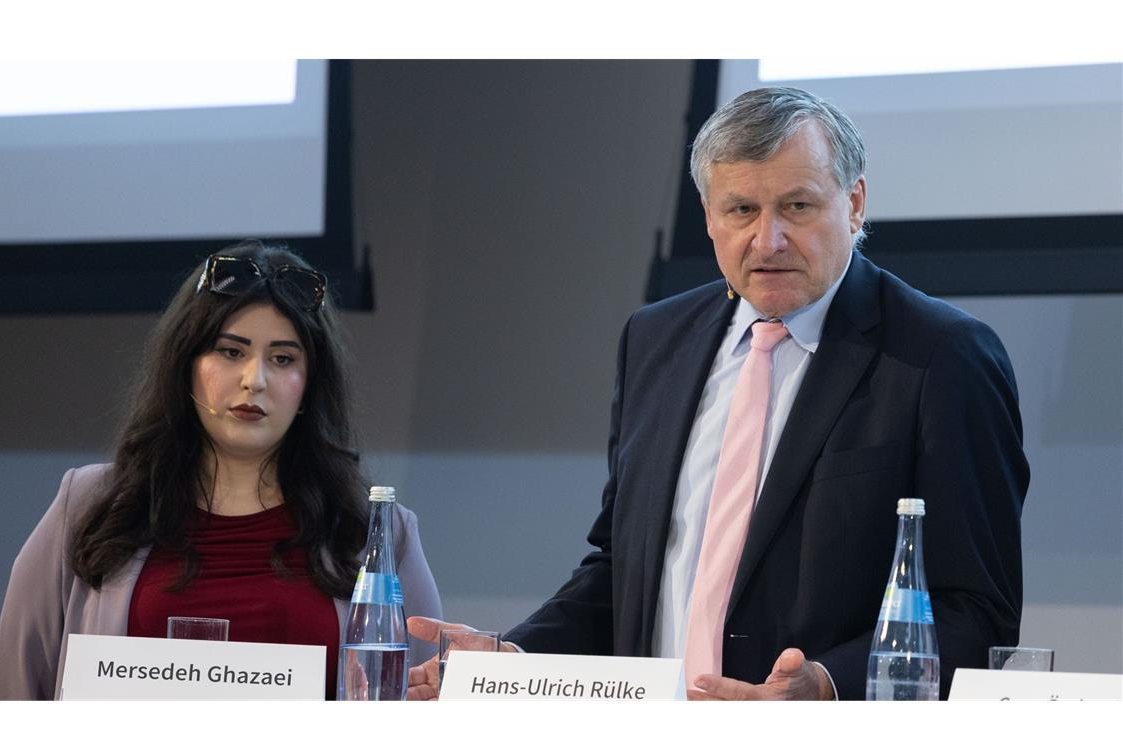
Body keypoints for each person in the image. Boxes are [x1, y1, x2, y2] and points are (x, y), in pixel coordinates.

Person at [408, 86, 1028, 701]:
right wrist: (517, 659)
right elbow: (623, 568)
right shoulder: (655, 339)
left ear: (855, 203)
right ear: (707, 215)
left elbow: (974, 609)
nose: (768, 240)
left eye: (797, 207)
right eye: (741, 211)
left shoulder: (942, 356)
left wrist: (826, 687)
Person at [0, 240, 442, 700]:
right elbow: (15, 699)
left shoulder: (378, 532)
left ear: (310, 385)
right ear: (186, 365)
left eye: (283, 358)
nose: (254, 379)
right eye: (230, 352)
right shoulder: (89, 503)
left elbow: (423, 713)